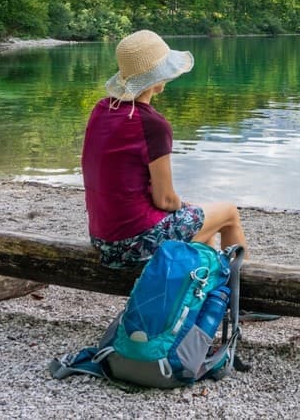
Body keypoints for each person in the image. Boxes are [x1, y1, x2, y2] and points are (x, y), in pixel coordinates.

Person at [81, 29, 247, 269]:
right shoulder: (152, 124)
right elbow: (165, 200)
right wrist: (183, 205)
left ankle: (206, 296)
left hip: (103, 239)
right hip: (134, 244)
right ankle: (244, 294)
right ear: (158, 79)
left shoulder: (101, 109)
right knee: (229, 213)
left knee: (202, 226)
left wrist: (186, 209)